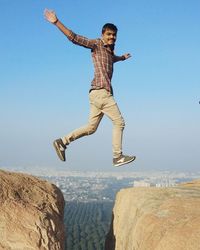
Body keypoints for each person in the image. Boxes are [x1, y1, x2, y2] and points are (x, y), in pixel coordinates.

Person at [44, 9, 136, 167]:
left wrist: (121, 58)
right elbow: (75, 38)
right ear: (102, 34)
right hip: (101, 92)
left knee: (91, 128)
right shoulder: (97, 44)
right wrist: (56, 22)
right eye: (109, 34)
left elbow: (111, 59)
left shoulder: (108, 51)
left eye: (114, 35)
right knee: (119, 123)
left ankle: (62, 142)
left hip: (95, 94)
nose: (112, 37)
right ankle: (117, 156)